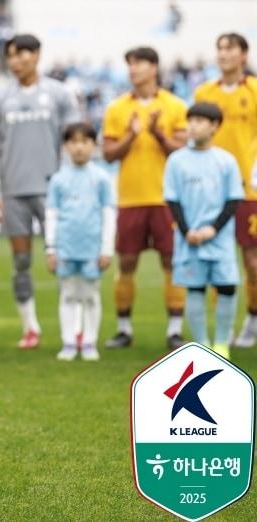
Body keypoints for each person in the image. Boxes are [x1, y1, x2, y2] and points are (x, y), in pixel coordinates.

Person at [0, 34, 78, 349]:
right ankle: (30, 328)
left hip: (53, 190)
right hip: (13, 190)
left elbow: (73, 142)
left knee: (65, 258)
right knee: (22, 261)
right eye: (11, 55)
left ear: (37, 55)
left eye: (22, 54)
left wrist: (70, 185)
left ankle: (74, 327)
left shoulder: (59, 95)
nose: (16, 61)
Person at [101, 46, 188, 350]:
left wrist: (158, 134)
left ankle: (174, 330)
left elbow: (183, 153)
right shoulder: (117, 108)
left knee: (171, 262)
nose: (133, 69)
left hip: (167, 199)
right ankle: (124, 329)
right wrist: (132, 135)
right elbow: (108, 154)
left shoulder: (175, 106)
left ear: (154, 67)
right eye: (130, 64)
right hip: (130, 198)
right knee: (126, 262)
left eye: (139, 63)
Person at [164, 102, 242, 359]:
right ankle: (202, 344)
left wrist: (213, 229)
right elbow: (172, 199)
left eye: (200, 121)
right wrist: (187, 231)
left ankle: (221, 342)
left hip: (219, 239)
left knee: (227, 286)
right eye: (191, 120)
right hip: (189, 239)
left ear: (214, 126)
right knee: (195, 288)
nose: (193, 126)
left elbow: (233, 199)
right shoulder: (176, 161)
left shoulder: (226, 160)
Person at [193, 34, 257, 347]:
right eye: (219, 48)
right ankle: (224, 328)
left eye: (229, 48)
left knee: (253, 262)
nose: (223, 53)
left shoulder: (255, 90)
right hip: (212, 191)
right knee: (216, 261)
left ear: (243, 55)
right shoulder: (204, 92)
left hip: (249, 190)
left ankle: (253, 319)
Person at [45, 123, 116, 362]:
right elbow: (51, 215)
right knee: (67, 294)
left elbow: (108, 214)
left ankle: (88, 342)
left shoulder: (102, 178)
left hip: (91, 248)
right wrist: (51, 248)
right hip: (65, 247)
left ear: (93, 146)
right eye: (73, 142)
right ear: (65, 146)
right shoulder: (58, 179)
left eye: (85, 142)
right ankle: (68, 342)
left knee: (90, 295)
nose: (79, 148)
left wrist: (106, 248)